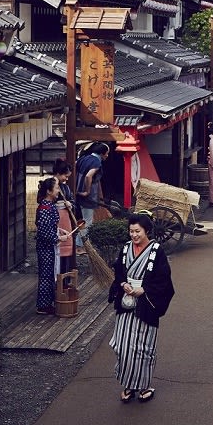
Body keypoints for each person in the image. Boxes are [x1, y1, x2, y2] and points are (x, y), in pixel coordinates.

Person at [107, 212, 175, 403]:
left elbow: (163, 279)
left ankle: (144, 385)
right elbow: (119, 272)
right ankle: (128, 384)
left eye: (137, 231)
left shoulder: (156, 250)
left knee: (142, 347)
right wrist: (123, 285)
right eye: (131, 231)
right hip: (126, 304)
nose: (134, 235)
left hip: (146, 303)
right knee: (122, 346)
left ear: (147, 231)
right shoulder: (126, 248)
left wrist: (144, 289)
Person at [35, 177, 69, 315]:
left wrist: (60, 230)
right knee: (46, 276)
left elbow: (50, 226)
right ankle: (43, 305)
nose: (58, 191)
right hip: (45, 248)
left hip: (50, 247)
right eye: (56, 188)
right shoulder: (44, 209)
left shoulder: (50, 206)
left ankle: (49, 302)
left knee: (51, 274)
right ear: (49, 191)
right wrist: (59, 237)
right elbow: (44, 233)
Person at [75, 142, 109, 242]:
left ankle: (81, 243)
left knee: (85, 219)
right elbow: (88, 176)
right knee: (87, 221)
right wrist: (87, 191)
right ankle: (81, 245)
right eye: (107, 153)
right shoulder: (96, 162)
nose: (107, 156)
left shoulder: (84, 158)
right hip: (87, 196)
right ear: (102, 153)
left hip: (78, 191)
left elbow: (75, 167)